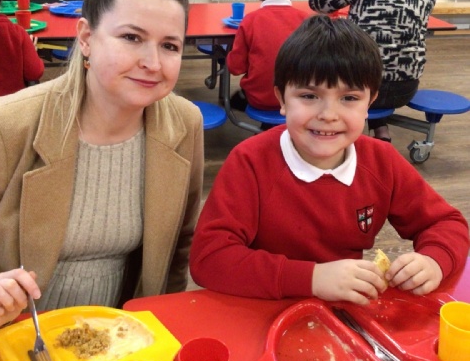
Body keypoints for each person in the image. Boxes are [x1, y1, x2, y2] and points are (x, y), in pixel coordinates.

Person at [0, 0, 204, 336]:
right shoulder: (2, 124)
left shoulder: (185, 123)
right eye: (132, 38)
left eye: (170, 46)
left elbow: (179, 246)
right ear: (86, 38)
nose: (153, 63)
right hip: (15, 338)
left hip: (123, 341)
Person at [190, 16, 469, 304]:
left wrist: (434, 260)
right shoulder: (250, 161)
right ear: (282, 100)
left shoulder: (381, 162)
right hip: (261, 306)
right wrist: (312, 278)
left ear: (369, 103)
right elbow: (209, 258)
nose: (328, 115)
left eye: (349, 98)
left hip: (341, 313)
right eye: (309, 96)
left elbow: (448, 223)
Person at [308, 0, 437, 142]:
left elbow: (318, 1)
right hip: (406, 87)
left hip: (359, 86)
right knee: (379, 52)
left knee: (355, 55)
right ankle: (381, 129)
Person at [227, 0, 311, 112]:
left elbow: (235, 68)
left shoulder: (250, 21)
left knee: (236, 99)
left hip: (259, 99)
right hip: (299, 100)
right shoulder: (306, 20)